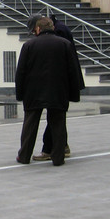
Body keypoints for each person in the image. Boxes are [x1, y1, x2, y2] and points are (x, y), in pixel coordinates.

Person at [15, 17, 84, 166]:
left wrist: (20, 94)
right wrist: (73, 94)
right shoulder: (64, 44)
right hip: (58, 91)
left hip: (33, 91)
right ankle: (58, 158)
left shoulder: (28, 45)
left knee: (30, 124)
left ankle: (24, 155)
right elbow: (72, 71)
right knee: (58, 124)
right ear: (52, 28)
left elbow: (20, 72)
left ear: (38, 29)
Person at [35, 13, 81, 160]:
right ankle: (59, 148)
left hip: (58, 84)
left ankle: (53, 150)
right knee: (57, 117)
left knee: (55, 118)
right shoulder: (61, 30)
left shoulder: (59, 35)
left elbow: (59, 60)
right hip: (61, 83)